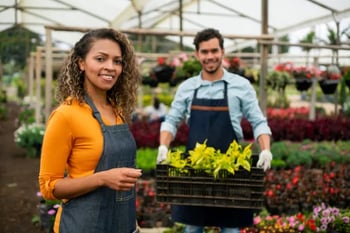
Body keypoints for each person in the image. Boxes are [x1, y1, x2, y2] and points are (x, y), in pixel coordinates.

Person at [156, 28, 273, 233]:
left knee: (230, 229)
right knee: (192, 228)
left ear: (222, 52)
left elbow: (258, 121)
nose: (210, 56)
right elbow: (172, 120)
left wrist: (265, 149)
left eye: (214, 51)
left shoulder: (241, 85)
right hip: (195, 172)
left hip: (231, 171)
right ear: (197, 54)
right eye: (204, 52)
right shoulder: (187, 87)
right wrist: (163, 147)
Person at [39, 28, 142, 233]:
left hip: (123, 224)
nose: (110, 67)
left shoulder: (117, 110)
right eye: (101, 59)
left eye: (117, 61)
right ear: (81, 63)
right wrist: (102, 178)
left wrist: (132, 222)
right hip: (83, 225)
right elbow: (49, 187)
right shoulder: (66, 115)